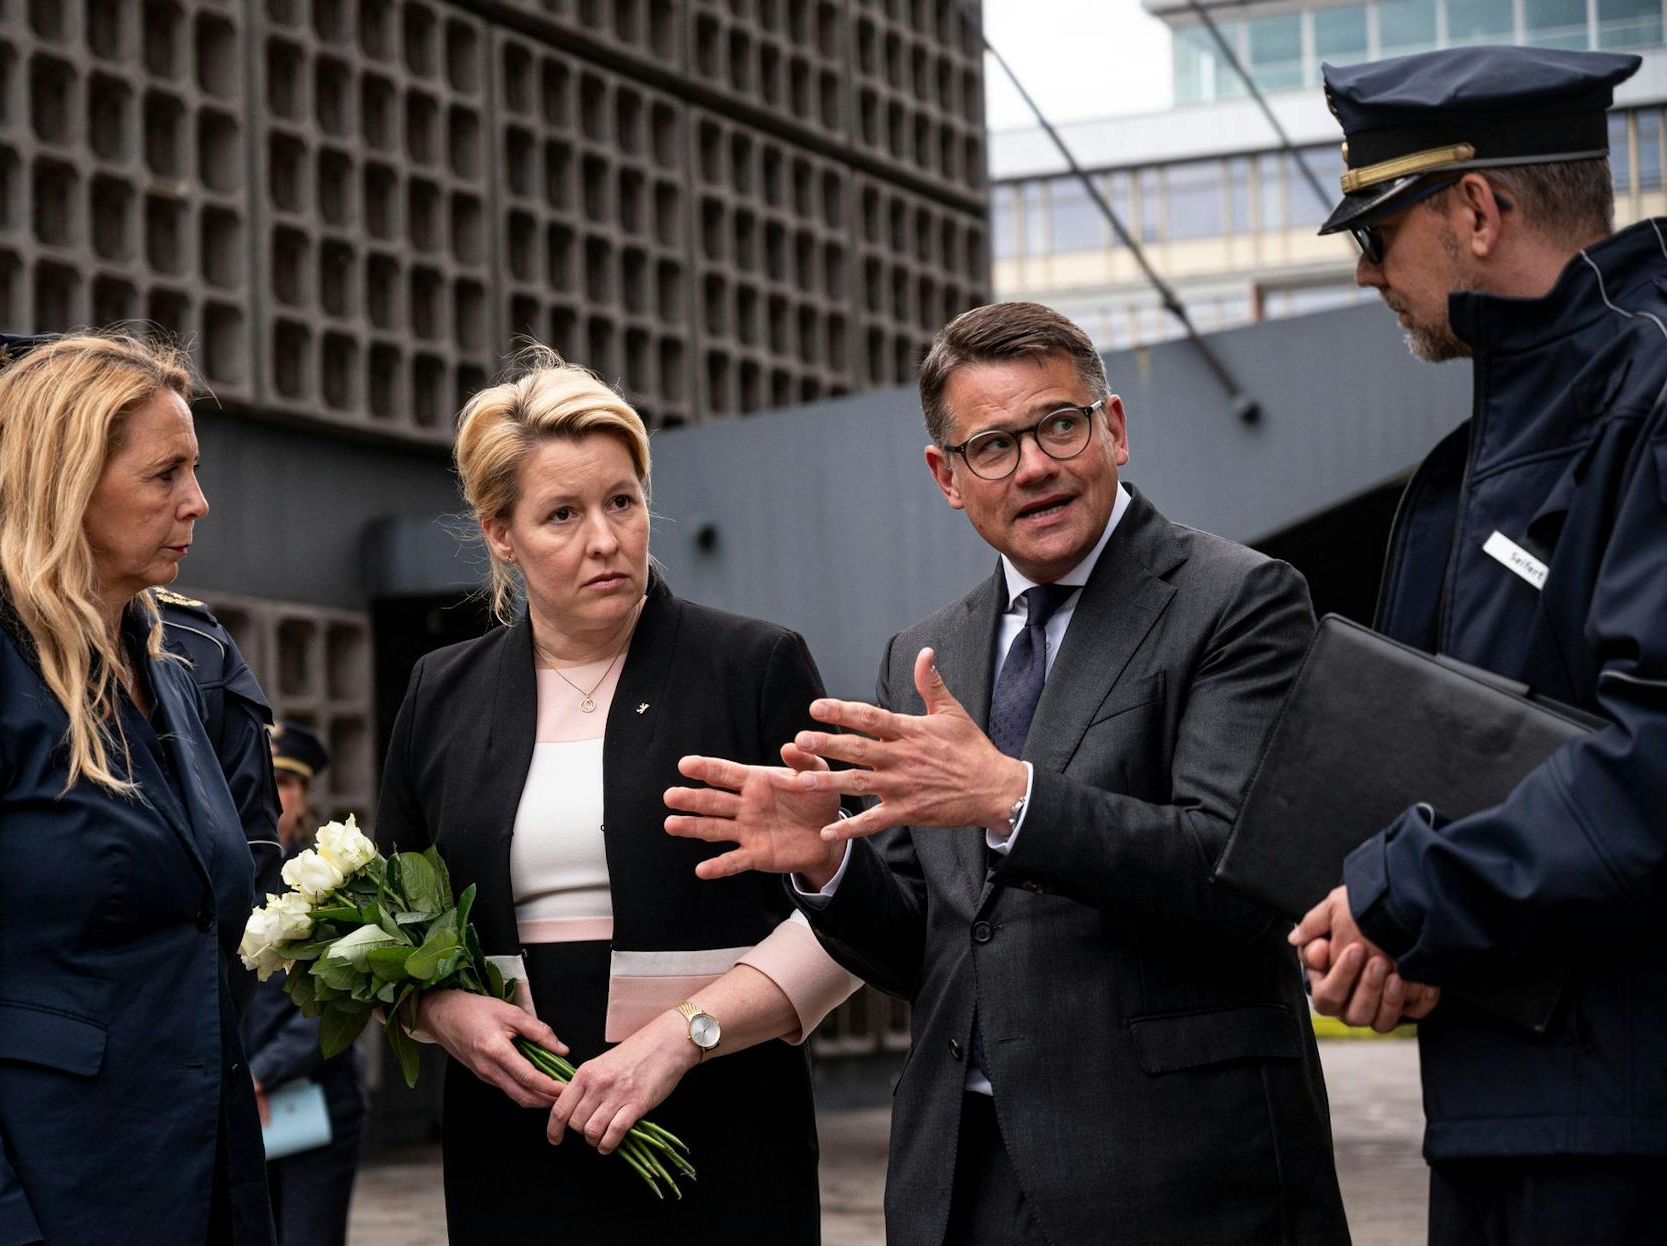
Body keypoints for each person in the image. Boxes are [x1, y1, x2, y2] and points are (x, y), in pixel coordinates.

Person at [667, 303, 1349, 1244]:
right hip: (963, 1178)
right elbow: (926, 946)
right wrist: (827, 868)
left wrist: (1010, 799)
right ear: (947, 477)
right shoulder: (926, 652)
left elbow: (1236, 871)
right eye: (992, 446)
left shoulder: (1239, 601)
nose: (1033, 466)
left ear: (1113, 428)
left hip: (1178, 1174)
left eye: (1059, 425)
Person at [1293, 46, 1667, 1243]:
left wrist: (1406, 898)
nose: (1361, 271)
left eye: (1376, 229)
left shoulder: (1645, 401)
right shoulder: (1489, 453)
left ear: (1472, 209)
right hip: (1513, 1105)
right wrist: (1403, 919)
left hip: (1625, 1127)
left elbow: (1652, 755)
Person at [374, 351, 859, 1244]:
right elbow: (392, 926)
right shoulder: (439, 692)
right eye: (562, 514)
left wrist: (684, 1034)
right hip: (514, 1131)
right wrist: (438, 1010)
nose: (606, 539)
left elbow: (857, 915)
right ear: (500, 533)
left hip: (721, 1118)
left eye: (622, 502)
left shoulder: (754, 667)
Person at [0, 333, 273, 1243]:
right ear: (63, 481)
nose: (198, 501)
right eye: (166, 475)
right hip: (28, 1199)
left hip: (189, 1190)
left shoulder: (165, 672)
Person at [244, 722, 367, 1245]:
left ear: (303, 794)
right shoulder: (226, 868)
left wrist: (260, 1074)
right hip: (239, 1100)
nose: (276, 795)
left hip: (310, 1097)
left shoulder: (327, 879)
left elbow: (339, 998)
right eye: (265, 779)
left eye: (287, 783)